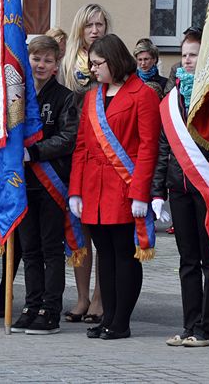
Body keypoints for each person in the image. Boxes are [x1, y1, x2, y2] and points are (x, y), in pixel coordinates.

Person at [69, 34, 160, 340]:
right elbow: (81, 147)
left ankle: (121, 320)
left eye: (97, 63)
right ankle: (108, 316)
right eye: (92, 64)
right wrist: (75, 191)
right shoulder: (93, 97)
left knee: (124, 252)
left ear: (114, 60)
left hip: (124, 185)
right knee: (104, 253)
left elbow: (148, 147)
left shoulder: (143, 94)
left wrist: (141, 193)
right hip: (94, 186)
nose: (93, 69)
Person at [151, 28, 209, 347]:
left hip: (208, 190)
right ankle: (189, 325)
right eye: (185, 54)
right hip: (179, 188)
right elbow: (164, 148)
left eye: (194, 54)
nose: (187, 60)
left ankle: (207, 329)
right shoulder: (171, 99)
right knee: (187, 260)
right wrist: (157, 192)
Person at [12, 36, 78, 335]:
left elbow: (68, 138)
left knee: (51, 248)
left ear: (56, 64)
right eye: (36, 59)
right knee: (29, 249)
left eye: (47, 60)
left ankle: (50, 308)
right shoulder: (18, 96)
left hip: (51, 182)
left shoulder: (65, 97)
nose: (40, 65)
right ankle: (31, 303)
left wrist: (35, 151)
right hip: (23, 183)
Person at [59, 2, 110, 325]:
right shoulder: (67, 65)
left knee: (103, 230)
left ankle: (100, 298)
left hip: (106, 155)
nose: (95, 30)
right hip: (74, 154)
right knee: (79, 231)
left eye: (100, 24)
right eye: (89, 25)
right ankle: (80, 297)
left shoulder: (113, 60)